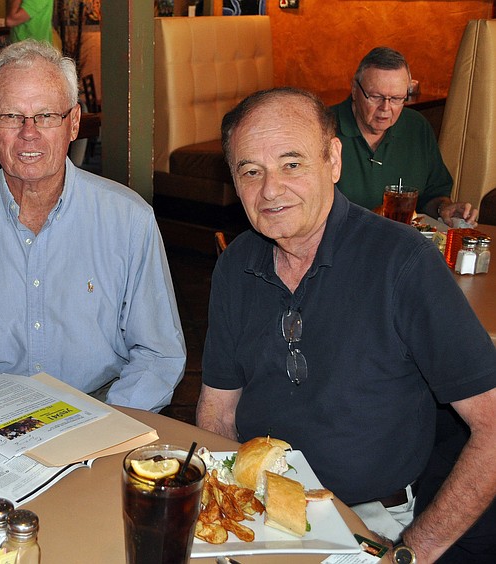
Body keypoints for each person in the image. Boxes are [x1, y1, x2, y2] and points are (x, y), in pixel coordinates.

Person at [196, 87, 496, 562]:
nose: (270, 190)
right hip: (261, 509)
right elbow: (217, 415)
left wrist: (412, 552)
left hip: (369, 521)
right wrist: (230, 510)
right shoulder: (236, 265)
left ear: (333, 160)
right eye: (250, 171)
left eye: (291, 163)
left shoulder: (403, 262)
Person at [0, 39, 185, 412]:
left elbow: (158, 354)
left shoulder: (129, 219)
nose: (29, 132)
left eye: (46, 116)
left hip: (103, 410)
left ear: (72, 123)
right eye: (11, 116)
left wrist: (108, 424)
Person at [331, 47, 478, 225]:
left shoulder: (416, 127)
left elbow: (432, 195)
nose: (386, 108)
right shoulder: (324, 127)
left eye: (396, 98)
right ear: (355, 90)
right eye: (376, 96)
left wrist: (443, 208)